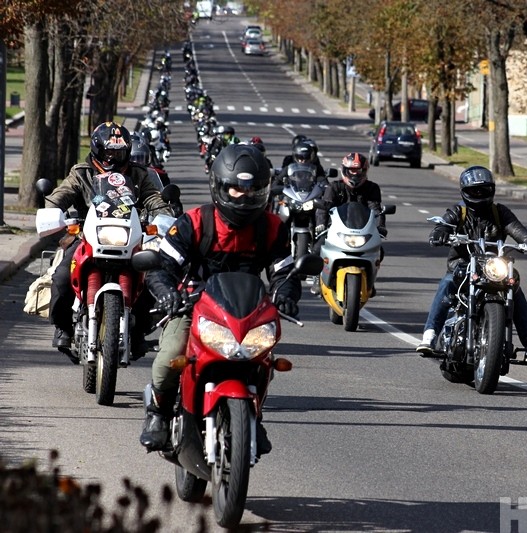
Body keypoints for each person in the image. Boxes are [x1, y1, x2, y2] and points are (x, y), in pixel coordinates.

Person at [139, 143, 302, 453]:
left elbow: (283, 271)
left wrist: (286, 294)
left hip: (248, 314)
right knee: (169, 355)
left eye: (252, 190)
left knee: (264, 361)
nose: (243, 196)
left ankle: (254, 415)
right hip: (194, 308)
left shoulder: (273, 228)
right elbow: (161, 267)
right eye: (235, 189)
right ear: (219, 187)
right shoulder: (195, 222)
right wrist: (169, 295)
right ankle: (158, 415)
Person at [45, 122, 170, 363]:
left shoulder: (138, 174)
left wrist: (164, 215)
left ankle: (139, 330)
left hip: (129, 235)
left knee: (150, 277)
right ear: (97, 150)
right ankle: (63, 328)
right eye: (109, 151)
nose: (113, 157)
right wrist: (53, 213)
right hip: (86, 235)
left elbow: (154, 198)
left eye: (119, 152)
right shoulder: (81, 173)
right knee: (61, 277)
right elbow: (60, 195)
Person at [415, 166, 527, 364]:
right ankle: (429, 335)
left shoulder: (500, 212)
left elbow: (517, 229)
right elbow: (444, 223)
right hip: (462, 265)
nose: (478, 194)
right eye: (473, 190)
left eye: (483, 190)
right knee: (446, 284)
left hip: (494, 266)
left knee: (515, 289)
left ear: (491, 190)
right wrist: (439, 232)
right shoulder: (458, 211)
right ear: (464, 191)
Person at [308, 152, 385, 294]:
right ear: (344, 170)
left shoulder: (372, 188)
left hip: (362, 231)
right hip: (335, 230)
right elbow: (323, 208)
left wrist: (380, 227)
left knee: (379, 251)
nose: (355, 174)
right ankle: (317, 278)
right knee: (317, 248)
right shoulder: (334, 187)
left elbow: (376, 209)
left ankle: (369, 280)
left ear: (365, 170)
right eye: (352, 170)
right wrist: (321, 224)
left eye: (358, 171)